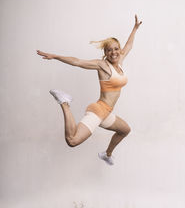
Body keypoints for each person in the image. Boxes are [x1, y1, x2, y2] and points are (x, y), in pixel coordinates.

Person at [37, 15, 142, 165]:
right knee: (72, 140)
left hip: (107, 113)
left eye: (116, 49)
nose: (114, 52)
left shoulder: (120, 60)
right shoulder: (103, 65)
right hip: (98, 111)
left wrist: (135, 28)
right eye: (109, 50)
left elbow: (129, 45)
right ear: (105, 53)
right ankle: (64, 102)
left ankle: (107, 154)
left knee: (125, 130)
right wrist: (55, 56)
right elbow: (78, 62)